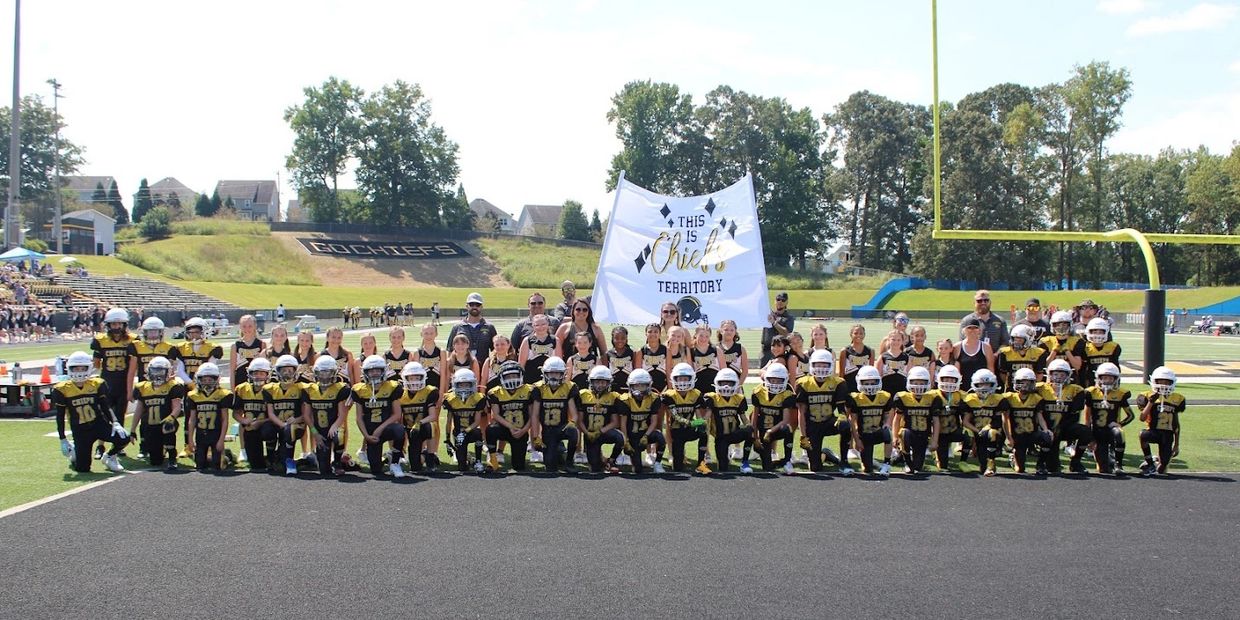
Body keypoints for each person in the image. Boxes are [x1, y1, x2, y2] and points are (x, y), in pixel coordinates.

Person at [54, 351, 130, 474]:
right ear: (69, 368)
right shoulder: (62, 389)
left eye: (82, 368)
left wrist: (115, 422)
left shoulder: (97, 384)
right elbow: (60, 415)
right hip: (80, 430)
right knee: (83, 469)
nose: (79, 371)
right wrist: (62, 438)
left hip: (98, 425)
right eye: (76, 368)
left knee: (124, 438)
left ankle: (109, 457)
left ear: (88, 368)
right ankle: (75, 451)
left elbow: (106, 406)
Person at [795, 349, 851, 475]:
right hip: (812, 426)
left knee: (845, 425)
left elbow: (842, 409)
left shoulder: (838, 383)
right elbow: (801, 413)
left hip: (828, 422)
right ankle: (825, 455)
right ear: (811, 365)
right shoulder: (803, 383)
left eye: (824, 365)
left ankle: (844, 460)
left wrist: (842, 417)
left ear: (831, 365)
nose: (821, 368)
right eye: (818, 364)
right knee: (815, 467)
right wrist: (803, 435)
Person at [90, 308, 136, 459]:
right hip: (106, 383)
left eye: (119, 324)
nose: (116, 327)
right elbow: (96, 364)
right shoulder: (100, 340)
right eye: (113, 324)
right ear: (108, 325)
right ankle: (100, 445)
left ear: (124, 325)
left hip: (123, 384)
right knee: (103, 415)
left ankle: (118, 444)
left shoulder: (132, 340)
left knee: (120, 415)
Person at [351, 355, 407, 479]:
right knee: (375, 470)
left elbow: (397, 414)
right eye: (371, 370)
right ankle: (383, 458)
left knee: (399, 430)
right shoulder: (359, 389)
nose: (375, 373)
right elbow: (359, 417)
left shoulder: (392, 387)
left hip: (386, 428)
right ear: (365, 372)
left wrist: (379, 429)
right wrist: (367, 436)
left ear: (384, 371)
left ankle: (395, 462)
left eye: (378, 370)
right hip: (371, 433)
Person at [128, 356, 186, 471]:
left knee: (168, 429)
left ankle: (172, 457)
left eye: (161, 372)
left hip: (167, 422)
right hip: (150, 425)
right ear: (149, 371)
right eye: (155, 371)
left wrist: (171, 418)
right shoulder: (143, 387)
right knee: (155, 461)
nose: (158, 375)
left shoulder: (173, 386)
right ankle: (159, 448)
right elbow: (139, 410)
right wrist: (133, 430)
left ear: (168, 372)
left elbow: (177, 407)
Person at [1038, 358, 1090, 474]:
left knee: (1085, 432)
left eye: (1062, 374)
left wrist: (1060, 428)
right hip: (1046, 430)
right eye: (1055, 374)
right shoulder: (1040, 389)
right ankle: (1041, 463)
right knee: (1053, 468)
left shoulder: (1076, 390)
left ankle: (1075, 462)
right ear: (1049, 374)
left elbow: (1074, 414)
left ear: (1068, 375)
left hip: (1065, 428)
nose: (1058, 377)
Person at [304, 355, 353, 476]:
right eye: (322, 372)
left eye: (328, 372)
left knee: (340, 433)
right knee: (324, 471)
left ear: (335, 372)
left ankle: (337, 462)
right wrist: (315, 433)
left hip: (334, 429)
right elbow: (307, 416)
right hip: (319, 431)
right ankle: (318, 457)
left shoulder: (340, 389)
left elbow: (342, 414)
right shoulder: (310, 389)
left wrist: (335, 426)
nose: (325, 376)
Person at [531, 356, 579, 474]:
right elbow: (535, 415)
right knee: (551, 467)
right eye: (551, 373)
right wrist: (536, 437)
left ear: (563, 374)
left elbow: (574, 414)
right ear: (544, 373)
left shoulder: (568, 387)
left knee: (573, 432)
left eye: (557, 373)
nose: (553, 376)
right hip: (547, 431)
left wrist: (572, 424)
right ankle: (558, 450)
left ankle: (569, 462)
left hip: (562, 427)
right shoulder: (539, 388)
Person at [1084, 362, 1133, 475]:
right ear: (1098, 378)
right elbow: (1087, 418)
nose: (1107, 381)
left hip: (1111, 432)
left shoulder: (1120, 394)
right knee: (1103, 470)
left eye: (1110, 378)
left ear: (1115, 379)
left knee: (1119, 433)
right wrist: (1090, 437)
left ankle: (1118, 464)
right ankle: (1108, 461)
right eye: (1104, 378)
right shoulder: (1091, 393)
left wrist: (1119, 424)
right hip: (1097, 432)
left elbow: (1130, 416)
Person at [843, 365, 893, 476]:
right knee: (867, 469)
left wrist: (886, 423)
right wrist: (857, 440)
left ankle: (886, 463)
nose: (870, 386)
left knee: (887, 432)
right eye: (866, 383)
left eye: (872, 383)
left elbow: (886, 415)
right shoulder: (855, 398)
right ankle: (870, 462)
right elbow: (853, 422)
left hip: (877, 432)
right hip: (864, 436)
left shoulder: (884, 397)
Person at [891, 366, 942, 474]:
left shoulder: (933, 398)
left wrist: (934, 440)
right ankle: (906, 461)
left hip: (923, 436)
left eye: (921, 382)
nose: (918, 385)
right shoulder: (903, 397)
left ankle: (902, 457)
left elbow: (936, 421)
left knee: (918, 467)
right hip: (909, 434)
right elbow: (897, 418)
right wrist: (895, 436)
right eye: (915, 382)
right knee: (905, 433)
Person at [185, 362, 235, 472]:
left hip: (216, 434)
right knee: (200, 465)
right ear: (198, 380)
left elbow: (224, 419)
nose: (207, 382)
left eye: (210, 380)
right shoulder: (193, 395)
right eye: (204, 380)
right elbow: (192, 419)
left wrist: (221, 440)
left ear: (216, 379)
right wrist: (190, 440)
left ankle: (228, 456)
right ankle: (204, 456)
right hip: (201, 435)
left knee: (217, 466)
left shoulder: (223, 394)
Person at [485, 360, 534, 472]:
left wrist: (524, 430)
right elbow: (495, 415)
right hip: (504, 429)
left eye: (514, 375)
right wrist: (510, 427)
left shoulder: (529, 390)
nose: (512, 378)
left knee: (519, 467)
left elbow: (533, 415)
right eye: (508, 376)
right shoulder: (495, 392)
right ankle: (493, 459)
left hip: (521, 430)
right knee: (491, 429)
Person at [615, 368, 666, 474]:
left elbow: (654, 422)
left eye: (643, 385)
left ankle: (657, 463)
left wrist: (646, 436)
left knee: (660, 437)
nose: (640, 389)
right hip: (632, 436)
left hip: (645, 434)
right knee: (637, 470)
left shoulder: (653, 398)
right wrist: (626, 441)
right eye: (636, 385)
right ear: (630, 386)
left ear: (648, 385)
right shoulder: (624, 399)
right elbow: (623, 424)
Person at [265, 355, 309, 476]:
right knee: (266, 429)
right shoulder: (270, 389)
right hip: (278, 423)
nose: (287, 373)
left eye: (290, 370)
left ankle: (289, 459)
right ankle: (271, 457)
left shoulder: (302, 388)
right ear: (277, 371)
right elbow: (270, 413)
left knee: (291, 431)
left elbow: (306, 414)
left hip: (295, 425)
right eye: (284, 370)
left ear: (296, 371)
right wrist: (283, 424)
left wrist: (295, 420)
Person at [1000, 368, 1049, 475]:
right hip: (1017, 436)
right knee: (1020, 470)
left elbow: (1040, 416)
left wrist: (1046, 430)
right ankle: (1013, 458)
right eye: (1022, 382)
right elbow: (1005, 419)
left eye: (1028, 382)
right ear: (1015, 382)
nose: (1025, 385)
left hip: (1031, 434)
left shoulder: (1036, 398)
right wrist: (1009, 437)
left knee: (1047, 438)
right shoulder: (1009, 398)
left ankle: (1040, 464)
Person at [576, 365, 624, 474]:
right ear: (591, 382)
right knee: (595, 468)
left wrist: (600, 431)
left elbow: (615, 422)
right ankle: (603, 461)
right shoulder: (583, 395)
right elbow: (580, 420)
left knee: (620, 438)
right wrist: (587, 433)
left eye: (603, 382)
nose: (600, 385)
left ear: (609, 383)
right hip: (590, 434)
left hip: (604, 432)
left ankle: (611, 461)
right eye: (597, 382)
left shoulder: (613, 397)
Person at [1137, 366, 1183, 477]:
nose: (1163, 384)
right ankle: (1149, 462)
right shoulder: (1147, 396)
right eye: (1160, 381)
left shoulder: (1177, 399)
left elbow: (1176, 424)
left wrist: (1176, 444)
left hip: (1167, 435)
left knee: (1162, 469)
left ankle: (1157, 460)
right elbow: (1142, 418)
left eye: (1166, 382)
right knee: (1143, 435)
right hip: (1153, 431)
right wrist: (1151, 402)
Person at [233, 357, 277, 472]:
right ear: (249, 374)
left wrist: (260, 422)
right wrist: (243, 421)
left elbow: (276, 416)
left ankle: (272, 457)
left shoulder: (273, 389)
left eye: (262, 373)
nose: (258, 376)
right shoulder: (242, 388)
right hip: (250, 428)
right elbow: (236, 413)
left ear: (268, 374)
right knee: (256, 466)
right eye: (255, 373)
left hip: (268, 425)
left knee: (269, 431)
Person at [751, 364, 796, 473]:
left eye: (778, 380)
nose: (775, 384)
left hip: (776, 429)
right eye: (772, 380)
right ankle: (778, 462)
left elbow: (785, 420)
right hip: (763, 431)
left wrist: (771, 431)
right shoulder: (758, 391)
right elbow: (754, 416)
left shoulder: (787, 393)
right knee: (767, 467)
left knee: (788, 429)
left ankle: (787, 461)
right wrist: (755, 437)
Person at [395, 361, 439, 473]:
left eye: (417, 377)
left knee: (432, 426)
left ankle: (430, 456)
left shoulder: (429, 391)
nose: (414, 381)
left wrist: (419, 424)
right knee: (415, 466)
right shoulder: (400, 393)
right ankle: (423, 455)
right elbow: (398, 418)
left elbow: (433, 416)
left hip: (423, 427)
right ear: (405, 378)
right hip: (411, 432)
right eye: (411, 378)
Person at [442, 368, 487, 473]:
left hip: (471, 431)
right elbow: (448, 422)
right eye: (461, 385)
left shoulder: (478, 398)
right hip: (458, 434)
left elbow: (477, 422)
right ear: (455, 385)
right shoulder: (451, 399)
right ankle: (468, 458)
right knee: (462, 467)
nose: (464, 388)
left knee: (478, 433)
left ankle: (478, 461)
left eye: (467, 385)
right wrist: (448, 439)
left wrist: (465, 431)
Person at [961, 369, 1006, 476]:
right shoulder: (969, 399)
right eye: (981, 384)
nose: (984, 388)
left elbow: (999, 420)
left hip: (993, 432)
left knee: (992, 433)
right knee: (982, 467)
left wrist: (987, 428)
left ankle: (991, 463)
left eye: (987, 384)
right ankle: (963, 461)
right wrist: (977, 431)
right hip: (977, 432)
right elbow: (965, 421)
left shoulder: (999, 399)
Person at [930, 365, 967, 470]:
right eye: (946, 379)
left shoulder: (960, 396)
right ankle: (934, 453)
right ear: (939, 379)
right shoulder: (933, 396)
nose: (949, 382)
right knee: (943, 467)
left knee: (968, 434)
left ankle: (963, 462)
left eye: (952, 379)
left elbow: (966, 417)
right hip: (939, 434)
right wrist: (934, 440)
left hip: (953, 431)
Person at [447, 292, 499, 365]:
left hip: (483, 370)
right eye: (471, 304)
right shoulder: (457, 327)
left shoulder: (489, 327)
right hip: (462, 370)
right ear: (466, 306)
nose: (474, 307)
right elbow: (450, 350)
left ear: (481, 307)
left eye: (477, 305)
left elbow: (496, 350)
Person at [994, 324, 1048, 391]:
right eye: (1015, 339)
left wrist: (1032, 387)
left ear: (1029, 339)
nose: (1016, 343)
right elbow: (1003, 374)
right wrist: (1010, 385)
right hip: (1012, 388)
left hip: (1030, 389)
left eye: (1020, 340)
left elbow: (1039, 374)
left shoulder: (1038, 353)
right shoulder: (1005, 353)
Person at [518, 314, 558, 385]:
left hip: (550, 381)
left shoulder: (555, 340)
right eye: (537, 325)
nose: (541, 327)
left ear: (548, 324)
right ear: (532, 326)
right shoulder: (527, 340)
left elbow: (559, 362)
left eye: (543, 324)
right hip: (530, 380)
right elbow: (521, 365)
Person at [953, 318, 994, 388]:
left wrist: (992, 385)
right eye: (969, 328)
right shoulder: (957, 347)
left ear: (979, 331)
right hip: (962, 389)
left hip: (982, 388)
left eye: (975, 328)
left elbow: (990, 368)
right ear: (964, 330)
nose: (972, 330)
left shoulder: (986, 347)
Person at [231, 315, 266, 393]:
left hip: (257, 383)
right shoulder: (235, 346)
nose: (247, 329)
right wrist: (233, 390)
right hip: (240, 383)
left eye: (250, 326)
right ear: (240, 327)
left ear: (255, 326)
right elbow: (232, 371)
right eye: (244, 326)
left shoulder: (262, 344)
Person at [760, 291, 794, 366]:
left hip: (780, 351)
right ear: (775, 301)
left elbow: (786, 333)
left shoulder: (789, 318)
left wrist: (774, 322)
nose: (780, 302)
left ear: (787, 302)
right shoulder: (768, 314)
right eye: (778, 299)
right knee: (763, 373)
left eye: (783, 300)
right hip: (766, 350)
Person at [838, 324, 873, 395]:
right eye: (855, 333)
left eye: (861, 333)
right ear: (851, 334)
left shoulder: (870, 351)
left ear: (864, 335)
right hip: (849, 386)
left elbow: (871, 372)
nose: (858, 335)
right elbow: (841, 373)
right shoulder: (845, 351)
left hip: (864, 387)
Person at [637, 324, 668, 393]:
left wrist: (670, 388)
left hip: (663, 387)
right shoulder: (641, 350)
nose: (653, 334)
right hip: (646, 387)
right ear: (646, 334)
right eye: (650, 332)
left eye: (656, 332)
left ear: (660, 334)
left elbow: (668, 371)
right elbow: (638, 373)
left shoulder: (666, 350)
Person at [607, 326, 636, 392]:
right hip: (613, 389)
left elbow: (635, 370)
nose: (620, 340)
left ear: (626, 339)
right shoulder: (608, 354)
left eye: (623, 338)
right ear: (612, 339)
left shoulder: (632, 353)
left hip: (628, 388)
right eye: (616, 338)